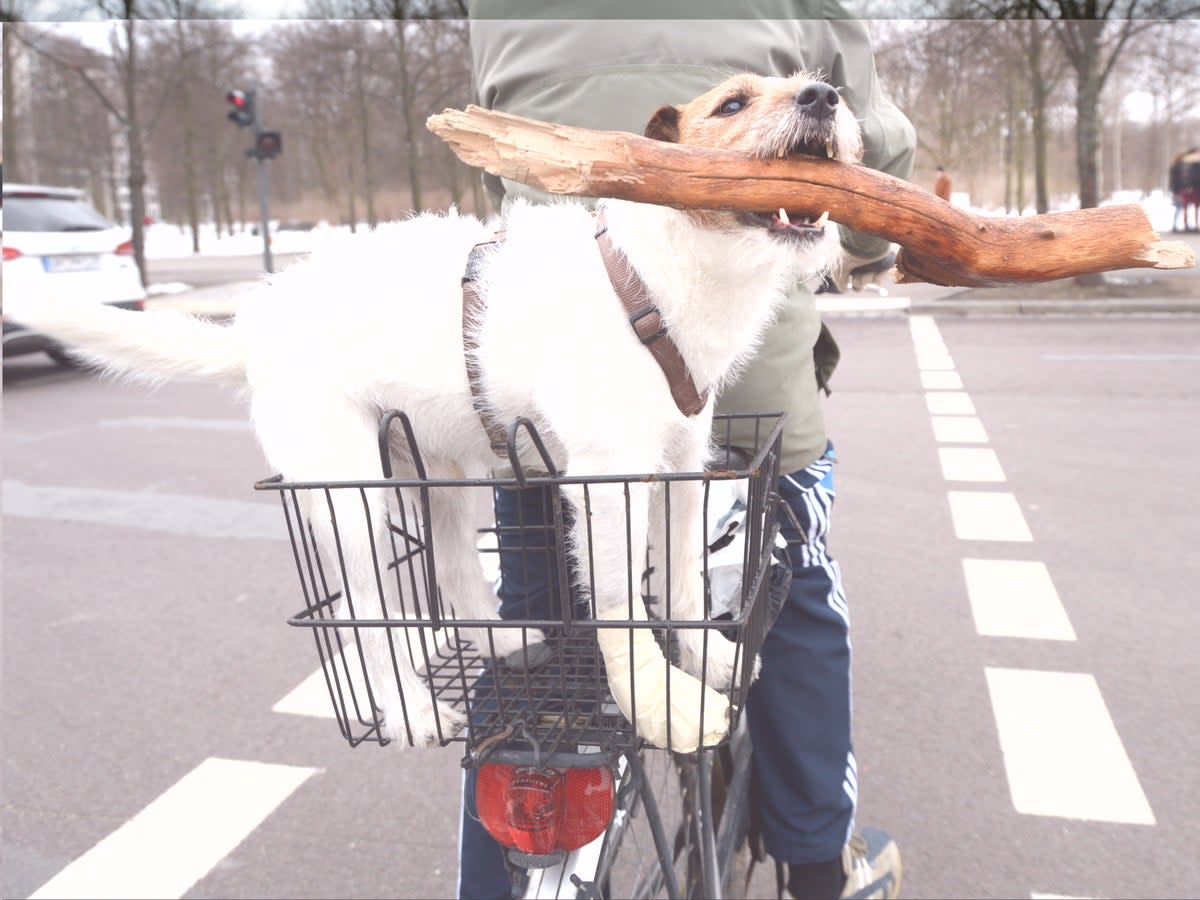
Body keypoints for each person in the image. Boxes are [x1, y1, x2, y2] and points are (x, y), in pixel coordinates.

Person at [458, 4, 916, 898]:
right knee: (795, 599)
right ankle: (821, 867)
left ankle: (497, 883)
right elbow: (871, 156)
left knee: (541, 650)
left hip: (550, 363)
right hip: (740, 358)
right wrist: (869, 242)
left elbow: (498, 159)